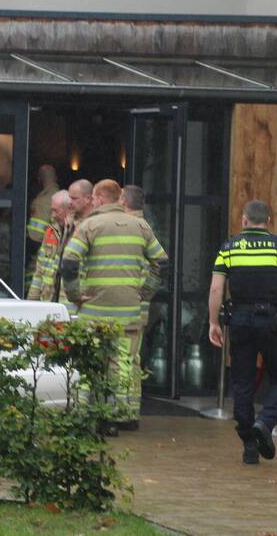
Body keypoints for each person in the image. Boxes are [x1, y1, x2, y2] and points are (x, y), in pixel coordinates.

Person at [208, 200, 277, 465]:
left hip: (239, 320)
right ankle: (265, 422)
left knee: (242, 383)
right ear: (269, 221)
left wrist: (213, 322)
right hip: (273, 320)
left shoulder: (229, 247)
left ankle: (249, 443)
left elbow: (216, 289)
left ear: (244, 220)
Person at [61, 179, 168, 433]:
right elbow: (162, 263)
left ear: (97, 198)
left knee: (89, 362)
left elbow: (68, 262)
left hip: (94, 311)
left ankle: (83, 415)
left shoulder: (89, 225)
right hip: (128, 312)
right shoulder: (140, 226)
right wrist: (145, 292)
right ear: (119, 198)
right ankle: (116, 417)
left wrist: (75, 295)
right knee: (121, 364)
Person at [26, 189, 72, 303]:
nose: (53, 215)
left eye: (56, 211)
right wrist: (32, 301)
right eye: (51, 211)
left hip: (68, 303)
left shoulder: (80, 232)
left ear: (69, 209)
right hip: (48, 301)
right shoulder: (51, 231)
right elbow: (39, 270)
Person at [120, 185, 153, 328]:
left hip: (126, 306)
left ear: (123, 201)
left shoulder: (128, 227)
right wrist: (146, 293)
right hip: (135, 305)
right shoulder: (144, 225)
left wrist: (145, 292)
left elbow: (161, 263)